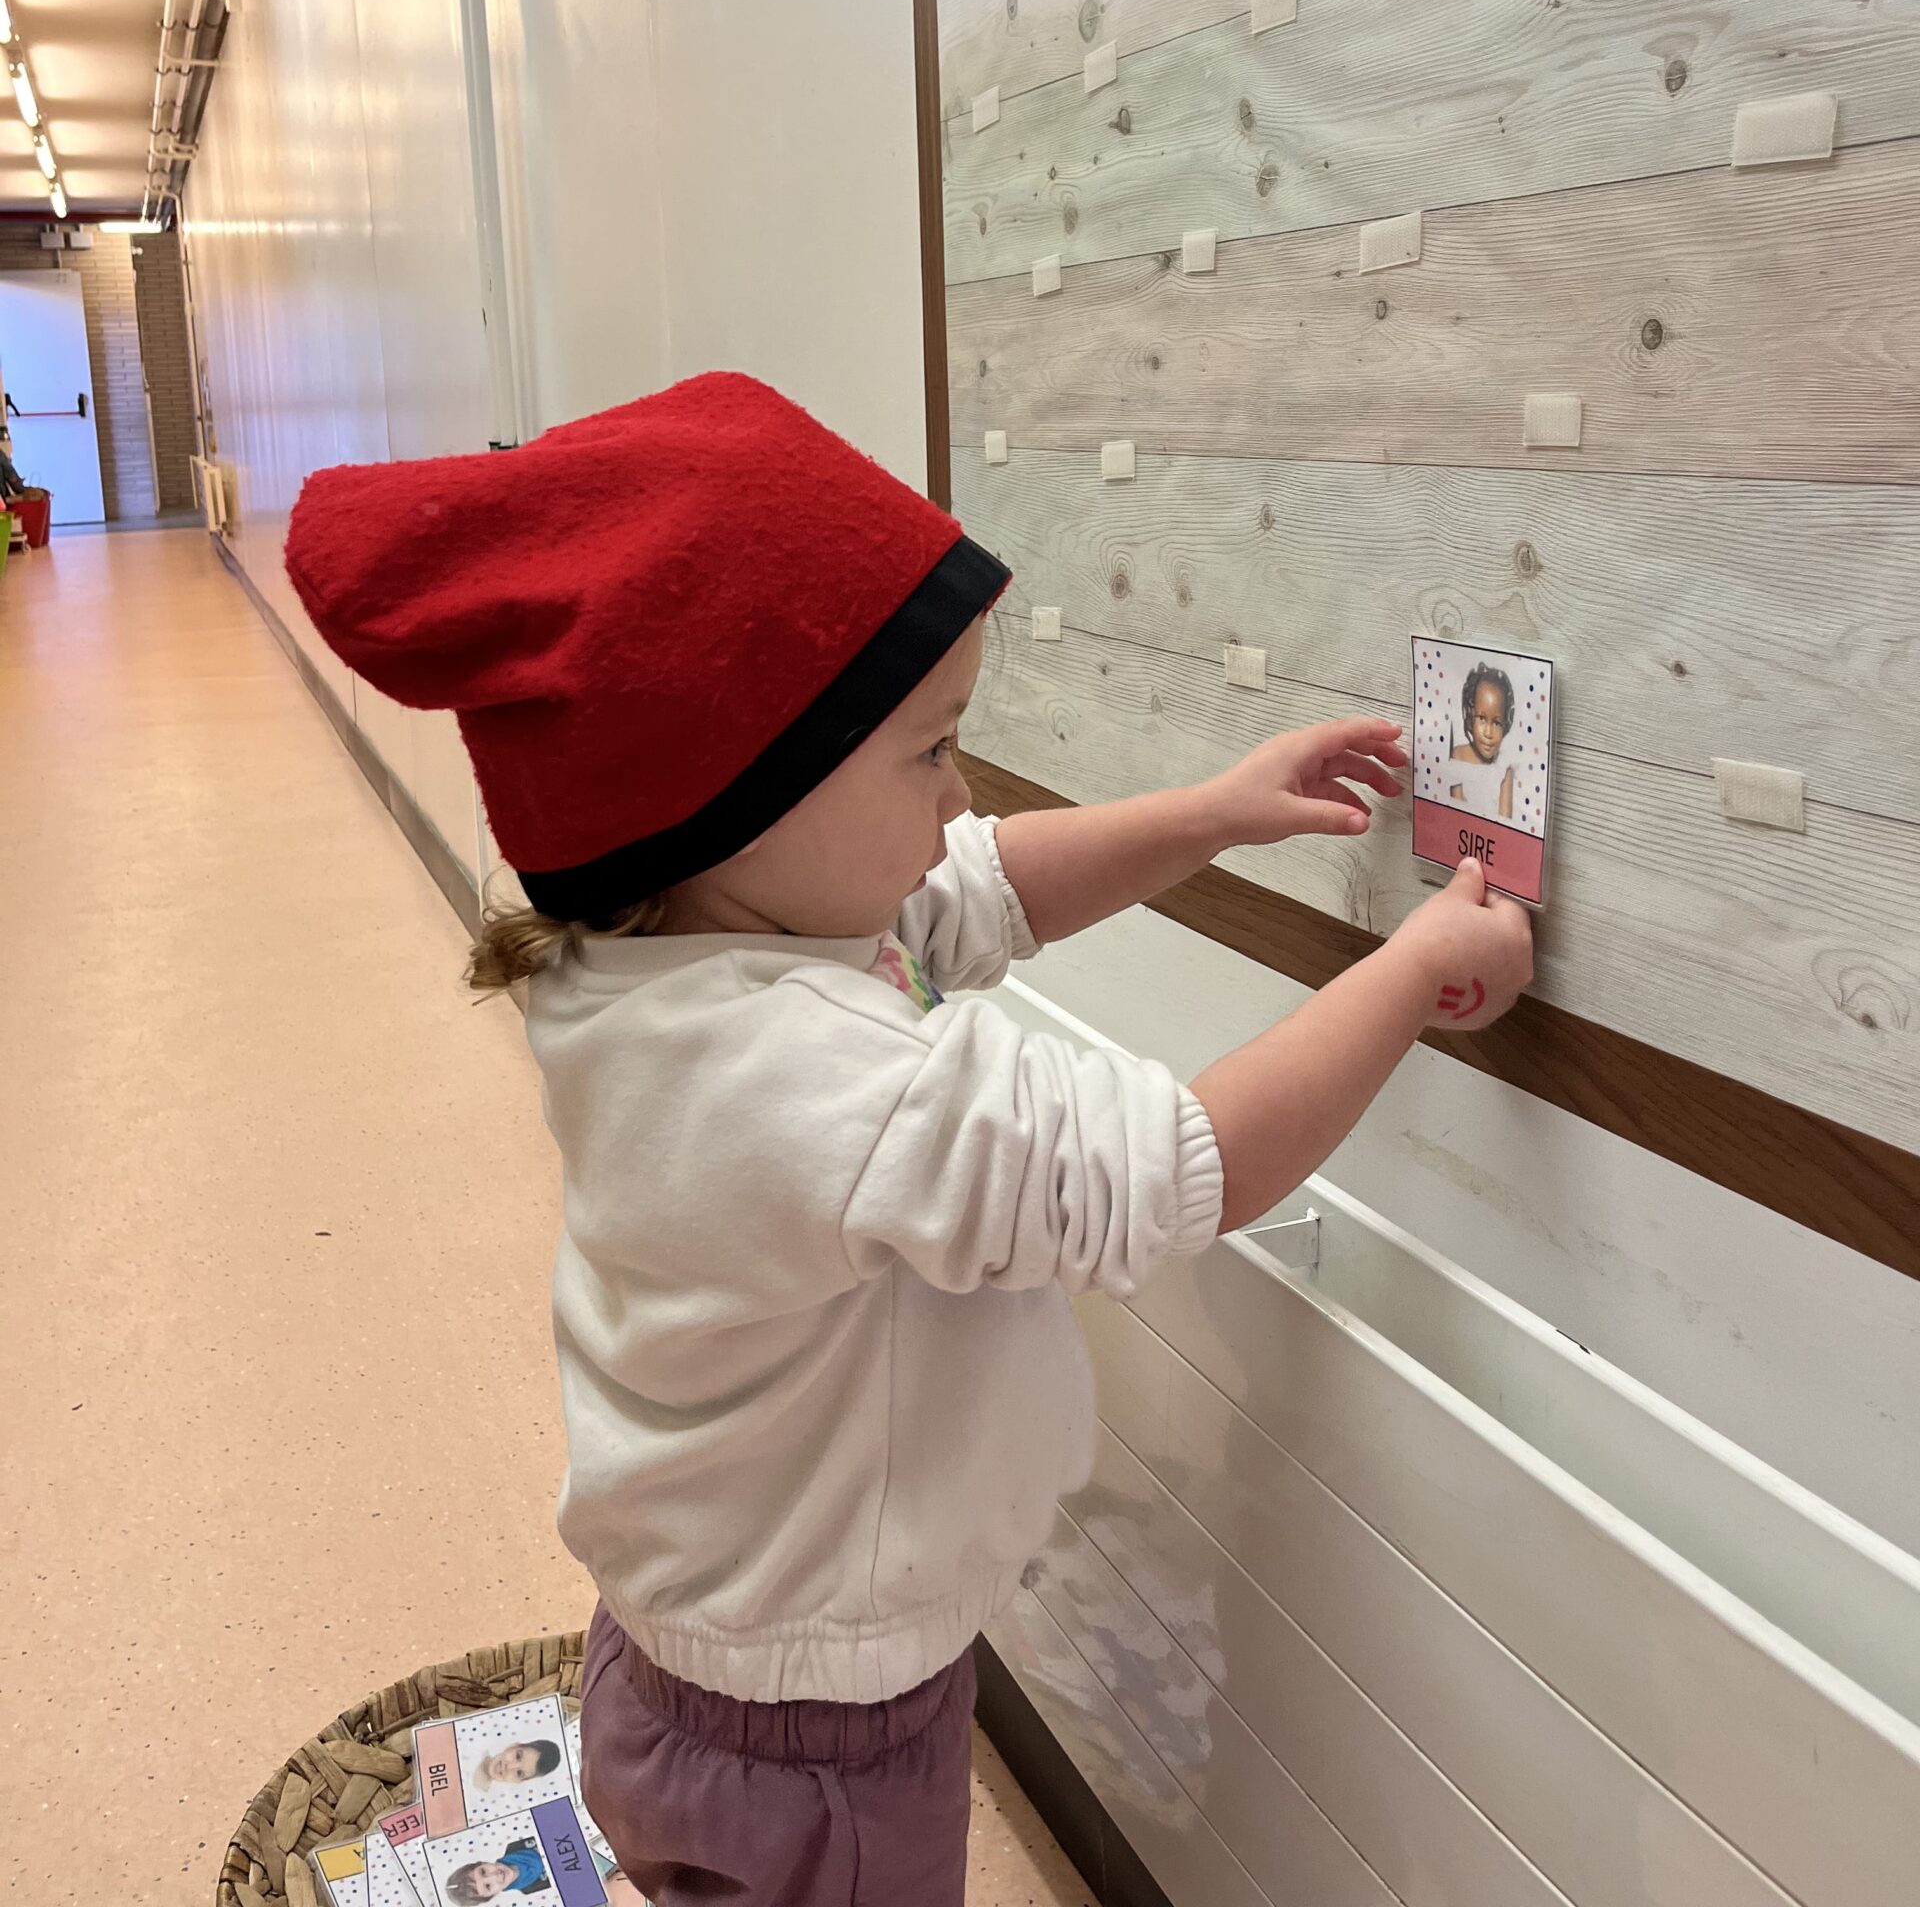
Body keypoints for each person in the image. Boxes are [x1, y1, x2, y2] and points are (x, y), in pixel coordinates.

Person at [286, 374, 1530, 1907]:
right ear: (738, 798)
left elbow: (986, 887)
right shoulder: (804, 1081)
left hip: (696, 1672)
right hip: (814, 1749)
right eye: (929, 750)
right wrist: (1412, 973)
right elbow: (1177, 1166)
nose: (960, 792)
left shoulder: (680, 952)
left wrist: (1212, 812)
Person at [1449, 660, 1517, 822]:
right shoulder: (1457, 756)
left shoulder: (1505, 768)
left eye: (1497, 723)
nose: (1488, 733)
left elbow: (1505, 820)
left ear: (1506, 723)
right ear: (1470, 714)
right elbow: (1455, 812)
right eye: (1481, 718)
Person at [443, 1839, 552, 1901]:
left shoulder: (515, 1845)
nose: (496, 1876)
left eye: (483, 1871)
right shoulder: (530, 1889)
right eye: (488, 1886)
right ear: (493, 1895)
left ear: (483, 1863)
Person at [470, 1737, 563, 1790]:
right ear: (512, 1746)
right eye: (518, 1756)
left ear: (518, 1781)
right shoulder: (475, 1747)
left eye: (519, 1773)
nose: (509, 1767)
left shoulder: (487, 1799)